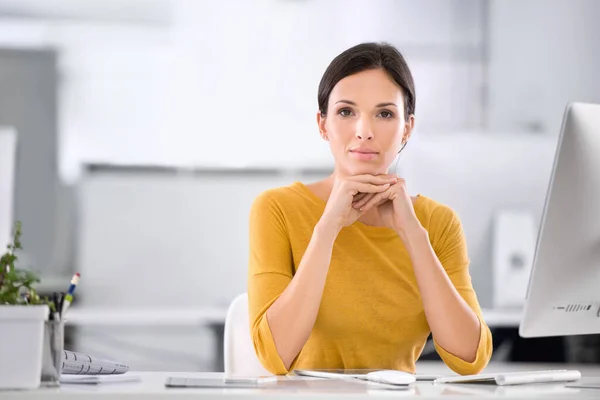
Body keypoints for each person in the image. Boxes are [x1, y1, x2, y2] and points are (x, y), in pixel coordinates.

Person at [247, 42, 492, 376]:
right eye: (346, 112)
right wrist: (327, 228)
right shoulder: (277, 209)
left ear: (407, 128)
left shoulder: (437, 223)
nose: (364, 131)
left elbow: (470, 357)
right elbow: (275, 356)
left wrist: (413, 235)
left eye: (385, 113)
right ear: (323, 125)